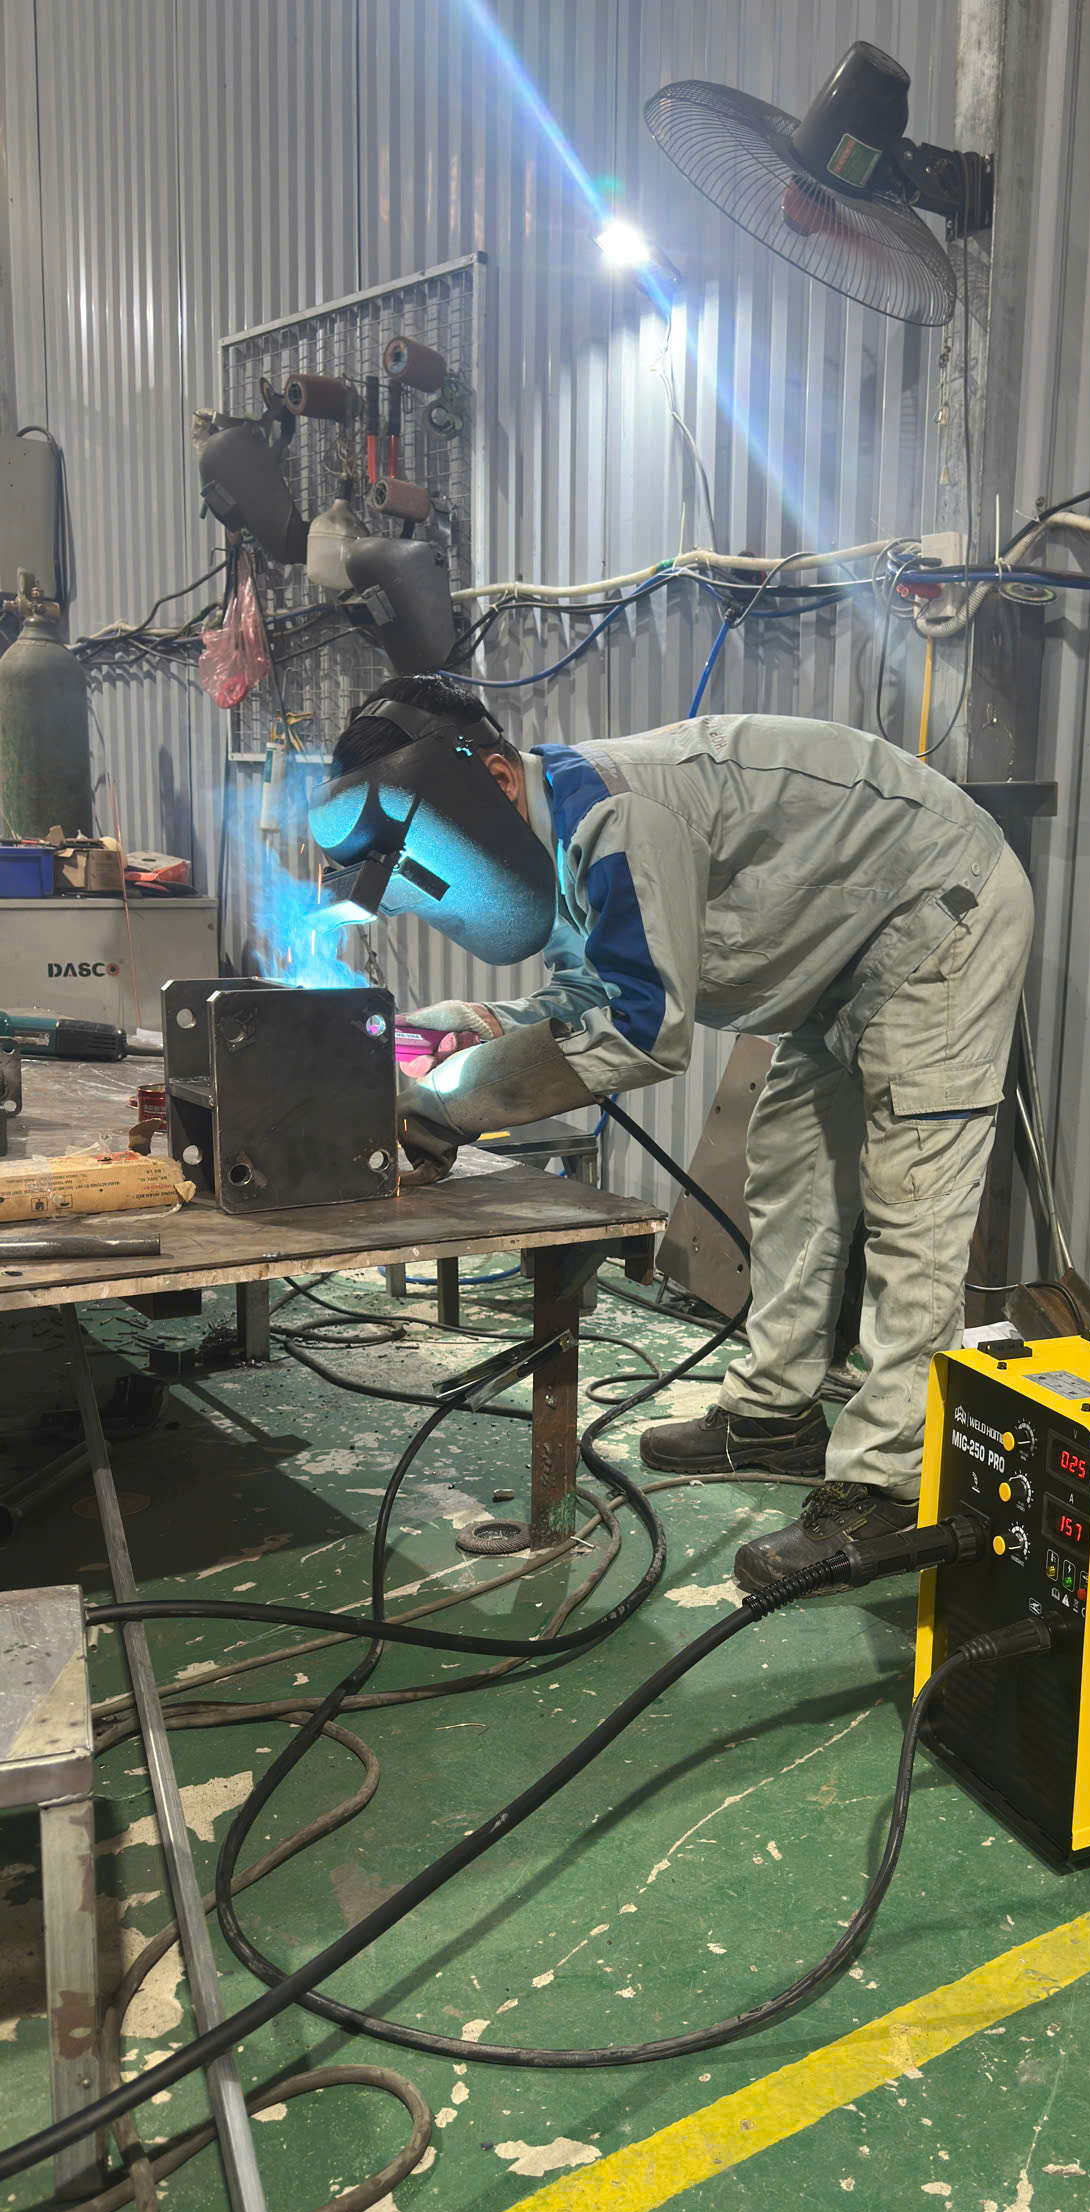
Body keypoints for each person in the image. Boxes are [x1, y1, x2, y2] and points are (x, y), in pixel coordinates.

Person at [314, 677, 1033, 1590]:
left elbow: (643, 1028)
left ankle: (888, 1485)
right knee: (790, 1171)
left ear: (496, 780)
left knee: (913, 1204)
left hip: (940, 913)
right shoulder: (559, 834)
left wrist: (445, 1104)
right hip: (844, 956)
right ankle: (775, 1416)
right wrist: (468, 1031)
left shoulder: (619, 819)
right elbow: (591, 995)